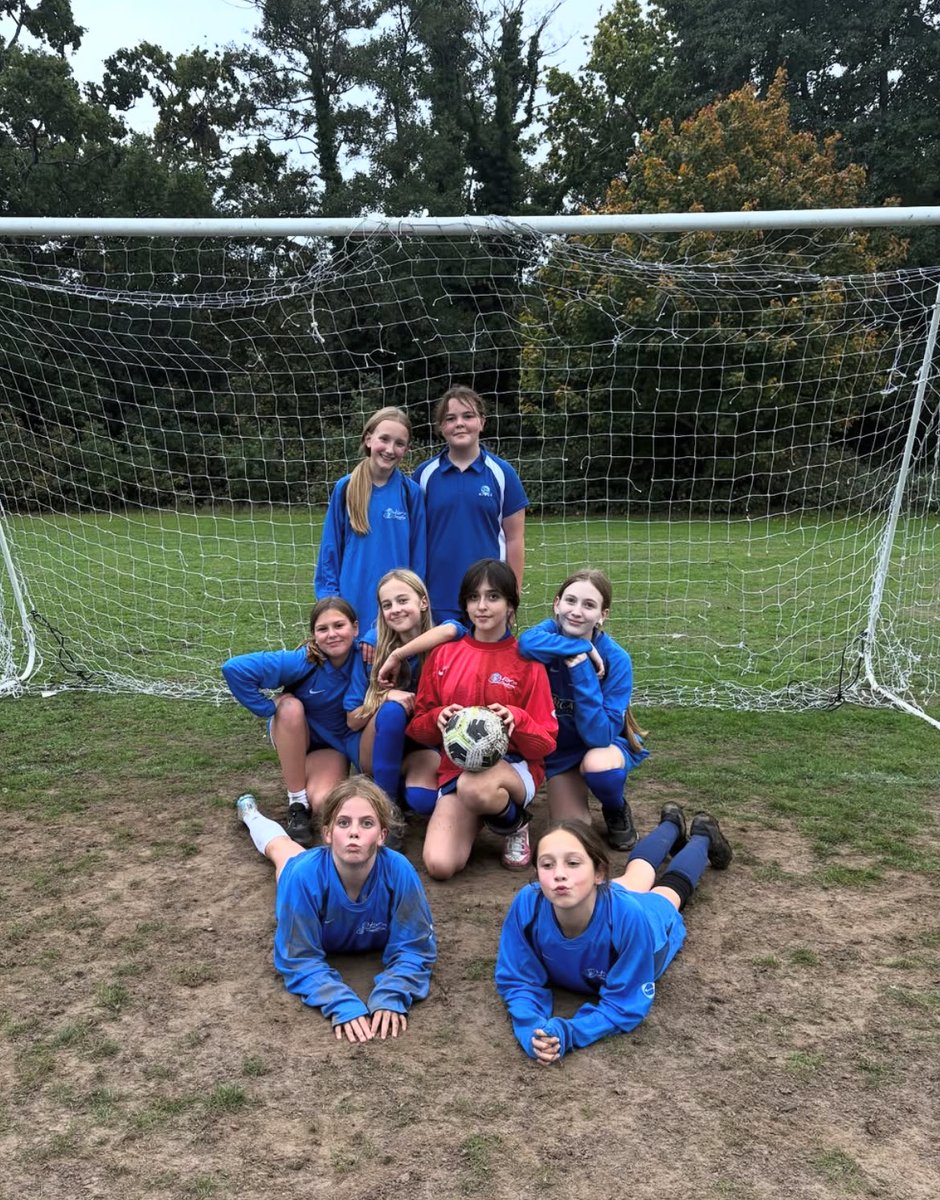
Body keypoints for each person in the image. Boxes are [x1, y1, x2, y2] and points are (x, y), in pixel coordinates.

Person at [495, 808, 732, 1063]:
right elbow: (517, 979)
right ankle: (671, 825)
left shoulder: (628, 917)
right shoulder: (529, 903)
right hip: (593, 897)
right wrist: (533, 1030)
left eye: (573, 863)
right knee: (637, 873)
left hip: (649, 926)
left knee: (669, 890)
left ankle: (702, 836)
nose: (559, 873)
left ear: (599, 873)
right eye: (547, 864)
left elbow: (624, 1004)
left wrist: (571, 1032)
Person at [235, 776, 436, 1042]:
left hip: (327, 875)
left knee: (288, 851)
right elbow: (297, 957)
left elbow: (415, 947)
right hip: (302, 870)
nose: (354, 832)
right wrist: (340, 1001)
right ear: (328, 833)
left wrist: (393, 993)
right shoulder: (304, 877)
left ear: (382, 835)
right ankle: (251, 816)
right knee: (281, 850)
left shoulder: (400, 871)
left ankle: (256, 818)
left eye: (367, 823)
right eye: (344, 823)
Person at [406, 558, 557, 875]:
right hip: (457, 773)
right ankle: (482, 814)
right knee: (439, 864)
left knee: (477, 788)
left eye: (493, 596)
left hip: (514, 769)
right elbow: (418, 729)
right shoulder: (444, 655)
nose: (482, 606)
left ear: (510, 604)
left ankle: (514, 823)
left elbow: (545, 744)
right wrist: (437, 718)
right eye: (474, 597)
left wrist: (518, 718)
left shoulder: (528, 662)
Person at [517, 569, 648, 852]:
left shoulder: (617, 659)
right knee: (571, 834)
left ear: (603, 615)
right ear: (556, 604)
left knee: (597, 764)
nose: (576, 612)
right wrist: (580, 646)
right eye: (570, 601)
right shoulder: (547, 635)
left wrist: (580, 667)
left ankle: (615, 807)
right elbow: (525, 643)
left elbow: (599, 736)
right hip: (560, 755)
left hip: (600, 745)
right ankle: (571, 792)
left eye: (589, 605)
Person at [222, 597, 363, 847]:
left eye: (339, 626)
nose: (331, 634)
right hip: (297, 737)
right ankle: (296, 801)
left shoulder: (366, 658)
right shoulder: (304, 661)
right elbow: (235, 669)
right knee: (289, 707)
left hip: (331, 749)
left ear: (355, 627)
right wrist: (267, 708)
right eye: (323, 629)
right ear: (313, 635)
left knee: (323, 803)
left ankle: (310, 790)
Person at [345, 569, 458, 819]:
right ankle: (387, 811)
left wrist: (399, 655)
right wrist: (384, 697)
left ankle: (397, 784)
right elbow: (352, 720)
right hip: (372, 746)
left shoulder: (445, 644)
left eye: (403, 600)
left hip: (421, 744)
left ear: (423, 602)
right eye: (387, 605)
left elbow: (453, 629)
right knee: (394, 710)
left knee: (423, 801)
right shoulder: (371, 649)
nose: (395, 609)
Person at [413, 385, 527, 624]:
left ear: (482, 422)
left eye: (468, 416)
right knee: (439, 662)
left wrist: (511, 598)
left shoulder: (502, 473)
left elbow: (515, 539)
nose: (459, 423)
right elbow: (413, 538)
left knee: (487, 661)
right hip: (437, 598)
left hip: (488, 599)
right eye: (450, 418)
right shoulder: (424, 475)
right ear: (441, 427)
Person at [315, 406, 426, 632]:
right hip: (352, 606)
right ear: (368, 439)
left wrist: (411, 601)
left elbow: (419, 558)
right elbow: (329, 552)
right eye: (384, 439)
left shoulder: (411, 493)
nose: (389, 449)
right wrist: (331, 604)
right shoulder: (345, 487)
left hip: (395, 609)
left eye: (399, 443)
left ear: (406, 449)